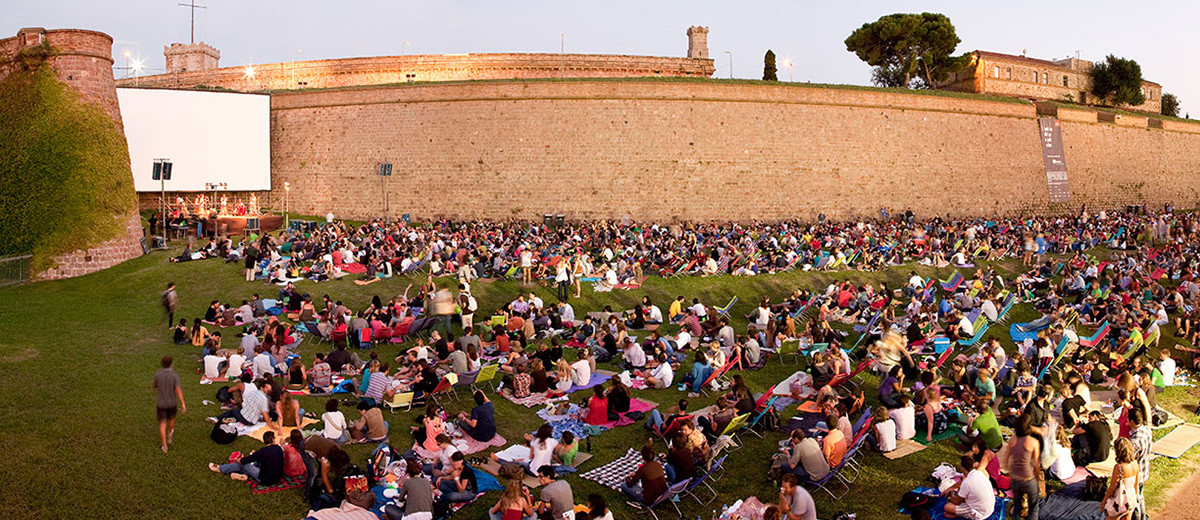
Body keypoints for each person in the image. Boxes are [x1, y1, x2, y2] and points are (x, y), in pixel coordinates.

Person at [1001, 414, 1043, 520]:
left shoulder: (1012, 441)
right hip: (1029, 479)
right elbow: (1036, 465)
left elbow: (1006, 461)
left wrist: (1011, 472)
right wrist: (1037, 479)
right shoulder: (1033, 442)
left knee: (1017, 507)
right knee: (1033, 507)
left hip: (1016, 480)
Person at [209, 430, 284, 485]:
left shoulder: (262, 451)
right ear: (273, 440)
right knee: (252, 462)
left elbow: (246, 460)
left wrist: (239, 460)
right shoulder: (278, 448)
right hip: (276, 478)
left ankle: (221, 468)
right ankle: (244, 475)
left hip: (265, 479)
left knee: (245, 464)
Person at [943, 454, 994, 520]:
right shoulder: (979, 473)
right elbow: (961, 485)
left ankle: (961, 516)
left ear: (963, 468)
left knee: (947, 507)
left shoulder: (967, 482)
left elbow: (957, 502)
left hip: (980, 514)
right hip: (989, 509)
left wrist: (950, 498)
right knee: (961, 493)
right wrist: (950, 489)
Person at [152, 355, 185, 453]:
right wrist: (183, 403)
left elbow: (154, 385)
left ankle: (164, 445)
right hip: (172, 403)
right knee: (171, 420)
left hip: (161, 403)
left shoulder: (158, 374)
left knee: (162, 423)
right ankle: (170, 434)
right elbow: (178, 390)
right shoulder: (174, 376)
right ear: (171, 364)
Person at [1103, 438, 1139, 520]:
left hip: (1121, 500)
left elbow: (1112, 488)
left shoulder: (1119, 467)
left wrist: (1104, 501)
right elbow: (1136, 484)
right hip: (1131, 498)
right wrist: (1135, 498)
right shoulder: (1135, 463)